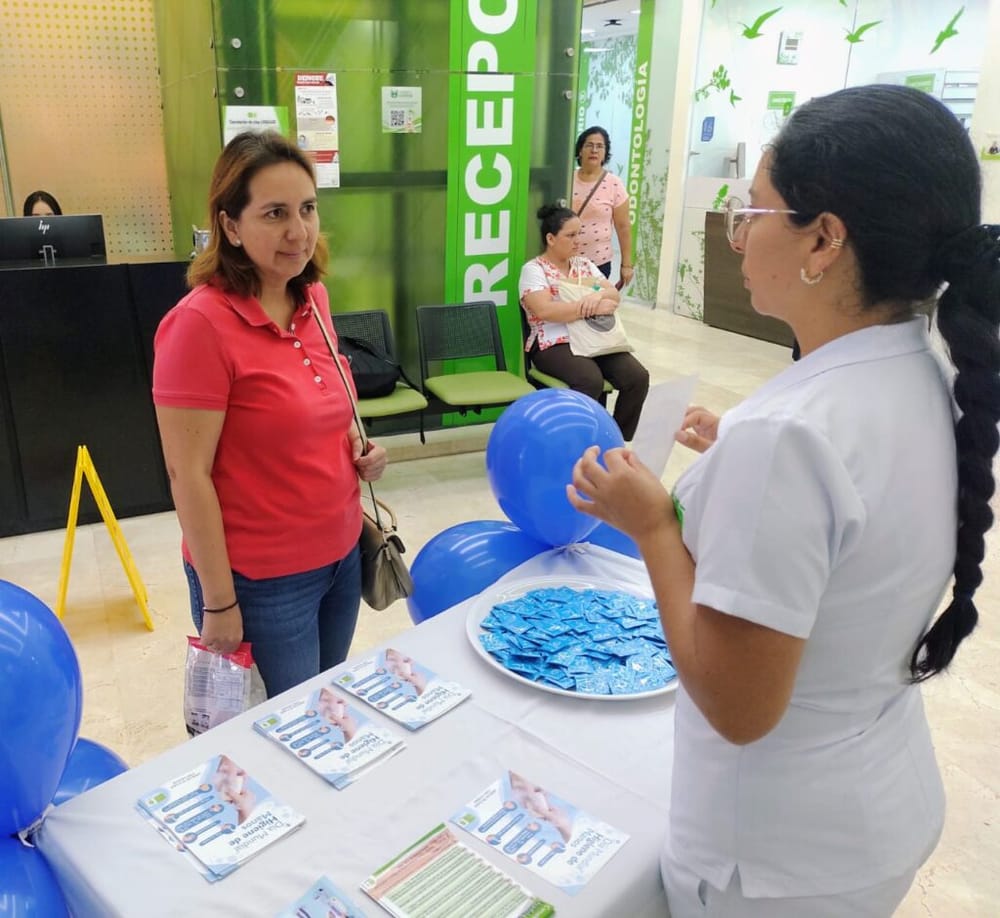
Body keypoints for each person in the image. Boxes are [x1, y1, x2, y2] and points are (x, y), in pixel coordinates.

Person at [567, 84, 999, 917]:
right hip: (876, 805)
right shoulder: (923, 374)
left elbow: (737, 706)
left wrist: (653, 524)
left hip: (774, 863)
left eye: (756, 209)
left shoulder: (789, 436)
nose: (739, 233)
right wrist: (739, 456)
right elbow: (858, 527)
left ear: (824, 239)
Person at [152, 130, 387, 699]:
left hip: (342, 554)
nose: (299, 231)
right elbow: (188, 475)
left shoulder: (313, 299)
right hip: (262, 582)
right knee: (282, 729)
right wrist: (219, 602)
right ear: (230, 226)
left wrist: (358, 445)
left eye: (307, 208)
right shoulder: (199, 326)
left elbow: (326, 405)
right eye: (275, 213)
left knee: (321, 708)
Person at [519, 203, 649, 440]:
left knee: (637, 377)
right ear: (551, 238)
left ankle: (612, 439)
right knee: (590, 380)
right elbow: (545, 310)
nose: (577, 241)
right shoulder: (534, 270)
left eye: (579, 234)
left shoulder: (585, 265)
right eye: (570, 235)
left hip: (593, 338)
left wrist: (597, 297)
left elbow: (613, 295)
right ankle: (577, 440)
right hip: (553, 342)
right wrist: (589, 307)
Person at [571, 126, 632, 288]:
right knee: (566, 301)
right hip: (565, 260)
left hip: (598, 264)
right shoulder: (567, 179)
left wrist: (626, 264)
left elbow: (623, 227)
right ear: (580, 150)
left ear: (605, 153)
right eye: (589, 145)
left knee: (591, 301)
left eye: (600, 146)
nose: (594, 150)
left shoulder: (614, 184)